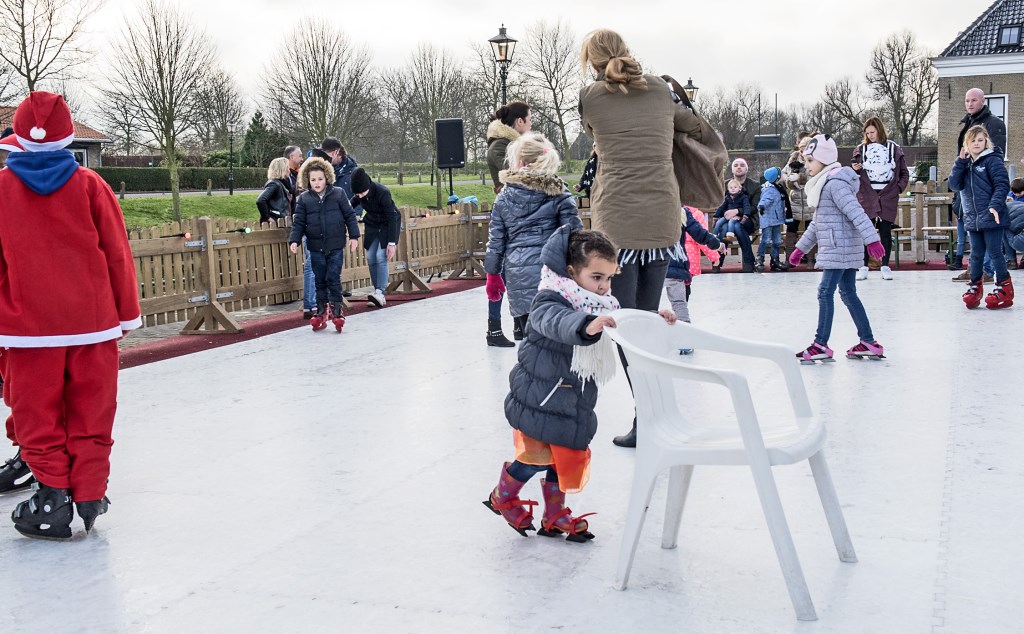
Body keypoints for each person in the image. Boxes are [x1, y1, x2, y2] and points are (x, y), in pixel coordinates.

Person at [0, 92, 142, 538]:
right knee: (92, 408)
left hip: (28, 328)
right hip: (92, 323)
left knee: (36, 413)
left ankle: (52, 495)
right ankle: (90, 491)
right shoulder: (90, 185)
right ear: (69, 137)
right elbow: (117, 254)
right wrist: (125, 314)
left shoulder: (2, 188)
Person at [483, 225, 676, 540]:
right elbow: (555, 321)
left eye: (609, 278)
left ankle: (555, 514)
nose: (604, 286)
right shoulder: (551, 296)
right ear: (572, 271)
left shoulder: (602, 304)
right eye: (596, 278)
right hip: (541, 394)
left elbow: (623, 319)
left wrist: (655, 318)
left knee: (568, 454)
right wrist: (586, 326)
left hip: (576, 395)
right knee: (537, 456)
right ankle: (502, 496)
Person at [578, 28, 703, 448]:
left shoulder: (591, 96)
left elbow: (593, 129)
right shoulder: (660, 91)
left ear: (591, 60)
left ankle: (648, 417)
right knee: (648, 319)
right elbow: (695, 127)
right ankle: (657, 413)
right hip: (663, 218)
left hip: (619, 223)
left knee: (629, 327)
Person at [788, 134, 886, 363]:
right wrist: (801, 249)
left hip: (838, 249)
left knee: (825, 293)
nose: (807, 166)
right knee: (848, 294)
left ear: (823, 159)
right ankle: (868, 341)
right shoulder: (824, 184)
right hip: (839, 247)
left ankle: (820, 344)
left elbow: (856, 213)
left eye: (810, 161)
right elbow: (818, 223)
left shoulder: (834, 185)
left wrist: (872, 239)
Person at [484, 132, 583, 342]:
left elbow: (496, 242)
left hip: (518, 275)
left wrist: (493, 274)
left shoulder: (504, 197)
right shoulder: (559, 192)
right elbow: (574, 234)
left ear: (519, 162)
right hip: (553, 274)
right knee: (557, 338)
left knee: (531, 341)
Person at [288, 157, 361, 330]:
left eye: (320, 179)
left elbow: (349, 215)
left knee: (333, 278)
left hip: (335, 245)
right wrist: (295, 240)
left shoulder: (338, 193)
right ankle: (321, 310)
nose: (317, 183)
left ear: (327, 177)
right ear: (307, 181)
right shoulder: (304, 199)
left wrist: (353, 237)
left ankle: (337, 311)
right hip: (315, 246)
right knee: (320, 280)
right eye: (313, 180)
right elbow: (299, 222)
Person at [948, 125, 1013, 309]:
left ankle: (1004, 287)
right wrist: (959, 162)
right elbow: (954, 184)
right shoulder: (965, 164)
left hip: (993, 217)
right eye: (972, 140)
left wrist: (994, 205)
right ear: (966, 144)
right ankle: (975, 286)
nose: (976, 143)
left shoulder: (992, 160)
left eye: (980, 140)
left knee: (994, 253)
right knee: (975, 255)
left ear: (986, 142)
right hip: (973, 218)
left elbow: (1002, 185)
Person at [485, 101, 533, 346]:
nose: (532, 123)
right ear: (519, 122)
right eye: (529, 119)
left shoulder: (513, 144)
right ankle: (493, 328)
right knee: (501, 271)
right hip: (509, 213)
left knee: (514, 271)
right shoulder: (501, 146)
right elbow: (515, 175)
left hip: (517, 211)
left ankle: (517, 323)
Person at [950, 88, 1007, 279]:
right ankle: (975, 271)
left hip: (985, 191)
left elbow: (994, 157)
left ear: (983, 102)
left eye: (974, 100)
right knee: (974, 243)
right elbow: (957, 175)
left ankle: (988, 271)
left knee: (992, 244)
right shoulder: (968, 124)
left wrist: (994, 203)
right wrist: (961, 164)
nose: (970, 104)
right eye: (967, 100)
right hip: (969, 187)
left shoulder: (994, 124)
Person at [851, 117, 909, 281]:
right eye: (867, 133)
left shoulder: (894, 149)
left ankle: (885, 265)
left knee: (885, 231)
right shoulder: (860, 150)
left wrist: (898, 188)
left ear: (879, 131)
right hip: (867, 196)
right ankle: (863, 265)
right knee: (865, 231)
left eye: (873, 132)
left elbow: (904, 173)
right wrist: (855, 170)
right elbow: (855, 173)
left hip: (887, 195)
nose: (870, 135)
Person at [349, 167, 401, 308]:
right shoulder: (359, 194)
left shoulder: (382, 192)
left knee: (380, 256)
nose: (359, 196)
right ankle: (377, 291)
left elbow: (392, 216)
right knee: (371, 256)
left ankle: (380, 292)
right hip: (372, 224)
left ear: (368, 186)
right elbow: (349, 206)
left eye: (361, 193)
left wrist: (392, 243)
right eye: (357, 194)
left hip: (387, 224)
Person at [666, 207, 724, 324]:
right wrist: (717, 246)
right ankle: (684, 334)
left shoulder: (648, 208)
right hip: (677, 265)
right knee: (679, 303)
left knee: (648, 305)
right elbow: (701, 234)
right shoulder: (683, 211)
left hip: (652, 266)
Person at [783, 132, 816, 266]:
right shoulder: (793, 158)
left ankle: (810, 259)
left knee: (811, 230)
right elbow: (785, 172)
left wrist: (801, 178)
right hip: (795, 199)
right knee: (791, 229)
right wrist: (788, 180)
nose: (802, 153)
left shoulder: (815, 160)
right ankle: (789, 259)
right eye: (801, 150)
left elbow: (815, 176)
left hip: (809, 199)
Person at [725, 158, 760, 272]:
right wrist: (729, 215)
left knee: (738, 226)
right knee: (727, 228)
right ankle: (717, 262)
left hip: (749, 220)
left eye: (741, 165)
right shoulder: (725, 185)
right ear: (732, 170)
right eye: (735, 165)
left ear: (746, 169)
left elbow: (755, 207)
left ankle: (748, 262)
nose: (738, 167)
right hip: (728, 220)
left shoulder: (755, 186)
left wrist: (738, 212)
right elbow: (720, 204)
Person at [711, 178, 751, 269]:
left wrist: (742, 215)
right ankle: (714, 236)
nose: (733, 189)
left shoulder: (743, 196)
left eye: (735, 187)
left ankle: (748, 263)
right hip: (726, 216)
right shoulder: (727, 197)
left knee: (733, 224)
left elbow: (748, 207)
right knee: (721, 225)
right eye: (731, 187)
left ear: (740, 188)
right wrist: (716, 216)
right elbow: (721, 207)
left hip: (739, 219)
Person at [755, 167, 789, 272]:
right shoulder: (770, 189)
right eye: (782, 174)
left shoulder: (777, 187)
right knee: (765, 240)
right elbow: (765, 200)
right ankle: (759, 259)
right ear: (777, 177)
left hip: (776, 219)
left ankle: (775, 260)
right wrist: (761, 206)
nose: (784, 175)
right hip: (768, 220)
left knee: (777, 241)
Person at [256, 157, 292, 224]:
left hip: (281, 221)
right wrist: (267, 218)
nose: (289, 170)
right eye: (287, 167)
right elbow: (260, 200)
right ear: (282, 169)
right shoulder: (274, 184)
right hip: (274, 222)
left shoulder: (282, 183)